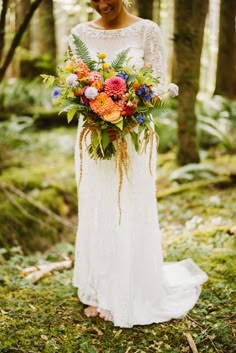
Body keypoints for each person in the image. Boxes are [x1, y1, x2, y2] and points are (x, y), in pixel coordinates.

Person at [69, 0, 208, 328]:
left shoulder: (147, 30)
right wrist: (97, 116)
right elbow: (74, 84)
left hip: (134, 133)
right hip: (93, 133)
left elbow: (158, 86)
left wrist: (128, 117)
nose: (102, 4)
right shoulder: (78, 33)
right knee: (98, 202)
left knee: (130, 204)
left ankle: (130, 289)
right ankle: (100, 288)